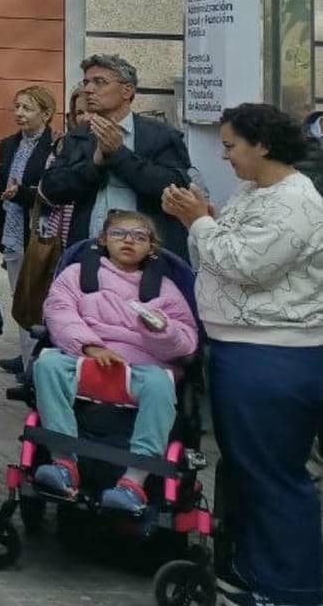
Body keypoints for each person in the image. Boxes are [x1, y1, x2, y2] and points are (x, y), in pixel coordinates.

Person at [162, 104, 323, 606]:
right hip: (241, 346)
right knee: (247, 469)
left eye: (231, 145)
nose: (225, 155)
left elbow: (246, 263)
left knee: (273, 472)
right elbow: (226, 245)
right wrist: (206, 217)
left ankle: (291, 588)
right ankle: (253, 569)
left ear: (263, 146)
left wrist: (197, 223)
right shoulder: (257, 191)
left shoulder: (296, 201)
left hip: (273, 354)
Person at [29, 210, 199, 515]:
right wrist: (91, 347)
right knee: (47, 365)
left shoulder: (165, 288)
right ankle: (63, 462)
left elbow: (187, 339)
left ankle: (133, 482)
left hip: (140, 371)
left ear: (152, 247)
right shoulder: (77, 275)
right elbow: (59, 311)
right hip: (86, 361)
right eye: (120, 233)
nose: (128, 241)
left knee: (163, 383)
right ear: (104, 239)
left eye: (139, 236)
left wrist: (163, 330)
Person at [41, 53, 192, 259]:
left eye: (99, 82)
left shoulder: (161, 135)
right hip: (91, 253)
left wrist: (119, 155)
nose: (88, 89)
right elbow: (52, 190)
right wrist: (94, 164)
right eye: (86, 82)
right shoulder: (77, 136)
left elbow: (176, 187)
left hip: (149, 258)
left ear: (127, 90)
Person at [0, 85, 57, 375]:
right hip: (11, 231)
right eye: (17, 107)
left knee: (38, 302)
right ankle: (27, 360)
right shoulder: (8, 144)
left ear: (46, 114)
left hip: (40, 234)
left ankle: (35, 366)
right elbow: (3, 191)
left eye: (27, 108)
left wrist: (21, 193)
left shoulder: (56, 145)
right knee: (19, 300)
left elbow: (52, 192)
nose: (19, 114)